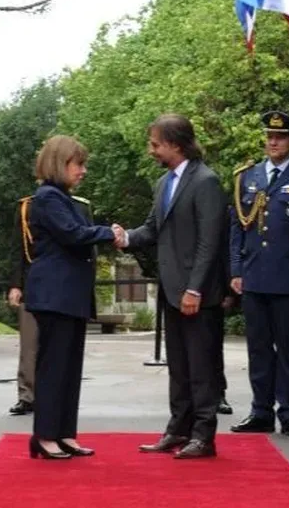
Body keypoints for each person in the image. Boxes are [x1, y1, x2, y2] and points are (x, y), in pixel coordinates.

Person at [117, 113, 228, 460]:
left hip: (196, 294)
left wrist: (195, 289)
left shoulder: (206, 181)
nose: (151, 150)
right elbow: (153, 229)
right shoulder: (165, 183)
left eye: (155, 144)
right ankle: (178, 429)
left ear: (176, 144)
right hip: (171, 289)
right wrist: (126, 238)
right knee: (179, 366)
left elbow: (210, 243)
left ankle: (203, 436)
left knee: (201, 367)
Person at [228, 110, 289, 438]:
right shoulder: (248, 176)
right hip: (254, 275)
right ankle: (260, 410)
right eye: (269, 135)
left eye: (280, 137)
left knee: (288, 347)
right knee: (257, 347)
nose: (273, 141)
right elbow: (238, 228)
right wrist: (236, 269)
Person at [23, 135, 116, 459]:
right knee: (54, 367)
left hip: (68, 295)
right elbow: (72, 235)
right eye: (79, 164)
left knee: (69, 367)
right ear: (60, 164)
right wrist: (109, 233)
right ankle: (45, 435)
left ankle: (64, 432)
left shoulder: (62, 197)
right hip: (54, 294)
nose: (84, 170)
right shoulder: (48, 197)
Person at [7, 190, 97, 417]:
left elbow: (89, 248)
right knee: (30, 344)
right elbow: (19, 247)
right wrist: (16, 284)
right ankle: (27, 395)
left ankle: (57, 396)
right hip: (34, 281)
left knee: (63, 346)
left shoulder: (81, 206)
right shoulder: (28, 206)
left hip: (69, 284)